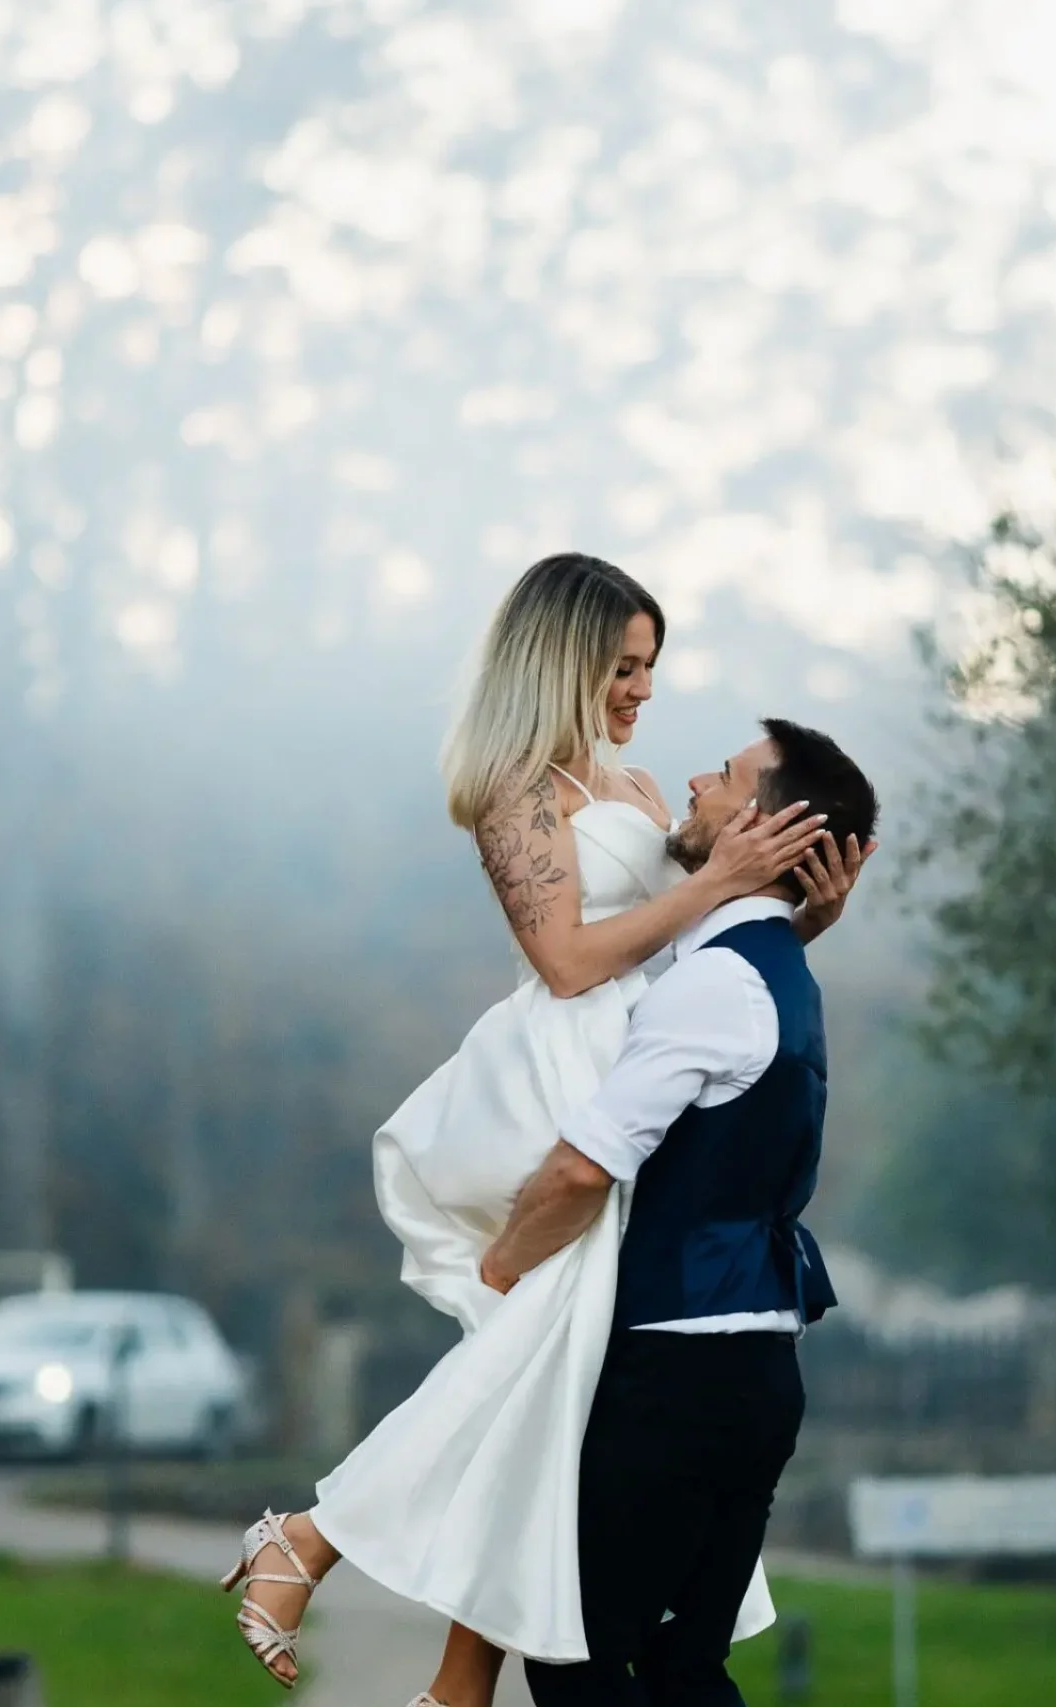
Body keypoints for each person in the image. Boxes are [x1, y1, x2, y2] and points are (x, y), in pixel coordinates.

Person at [221, 555, 874, 1704]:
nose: (642, 691)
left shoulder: (630, 791)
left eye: (650, 668)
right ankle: (312, 1541)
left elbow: (701, 964)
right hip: (563, 1073)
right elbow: (568, 958)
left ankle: (457, 1678)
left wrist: (791, 915)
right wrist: (720, 874)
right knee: (554, 1350)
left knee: (556, 1384)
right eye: (623, 666)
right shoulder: (516, 786)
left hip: (639, 1058)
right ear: (562, 659)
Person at [482, 718, 878, 1707]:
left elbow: (583, 1169)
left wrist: (498, 1272)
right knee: (684, 1668)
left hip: (677, 1372)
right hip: (754, 1372)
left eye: (729, 774)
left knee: (579, 1661)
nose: (697, 779)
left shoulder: (714, 985)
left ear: (763, 822)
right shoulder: (778, 974)